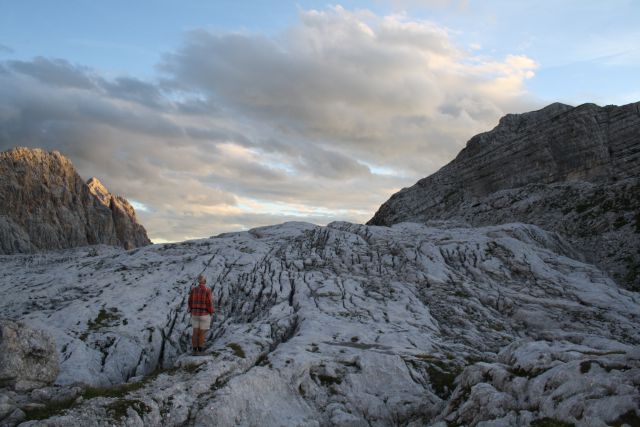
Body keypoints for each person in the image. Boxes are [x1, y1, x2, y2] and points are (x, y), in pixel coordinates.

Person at [188, 274, 214, 355]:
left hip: (195, 314)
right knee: (202, 333)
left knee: (195, 332)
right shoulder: (207, 290)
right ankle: (200, 350)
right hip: (204, 314)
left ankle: (194, 350)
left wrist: (191, 310)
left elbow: (189, 301)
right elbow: (209, 302)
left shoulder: (193, 290)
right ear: (205, 281)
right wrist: (211, 312)